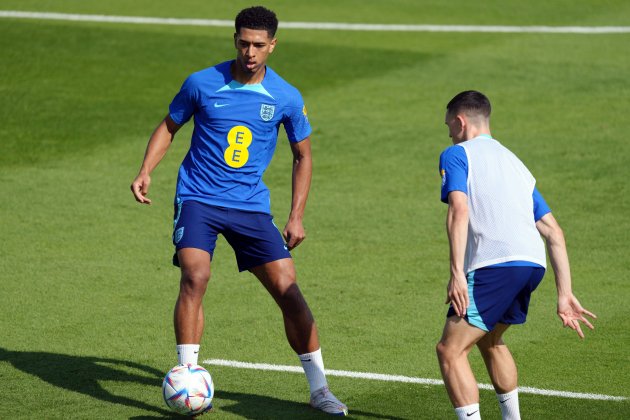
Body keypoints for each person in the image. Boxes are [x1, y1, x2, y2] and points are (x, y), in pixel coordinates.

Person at [130, 6, 347, 416]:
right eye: (244, 43)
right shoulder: (201, 83)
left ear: (273, 46)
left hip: (249, 206)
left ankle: (320, 389)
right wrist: (145, 170)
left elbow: (303, 156)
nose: (250, 52)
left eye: (259, 45)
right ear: (235, 40)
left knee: (288, 290)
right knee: (195, 274)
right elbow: (169, 126)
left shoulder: (285, 96)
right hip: (198, 198)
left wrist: (296, 214)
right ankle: (189, 374)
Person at [435, 90, 596, 420]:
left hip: (495, 264)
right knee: (490, 340)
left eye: (449, 124)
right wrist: (564, 294)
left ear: (461, 121)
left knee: (450, 350)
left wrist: (456, 274)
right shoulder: (515, 163)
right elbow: (554, 231)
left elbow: (459, 210)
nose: (449, 131)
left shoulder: (456, 154)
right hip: (530, 264)